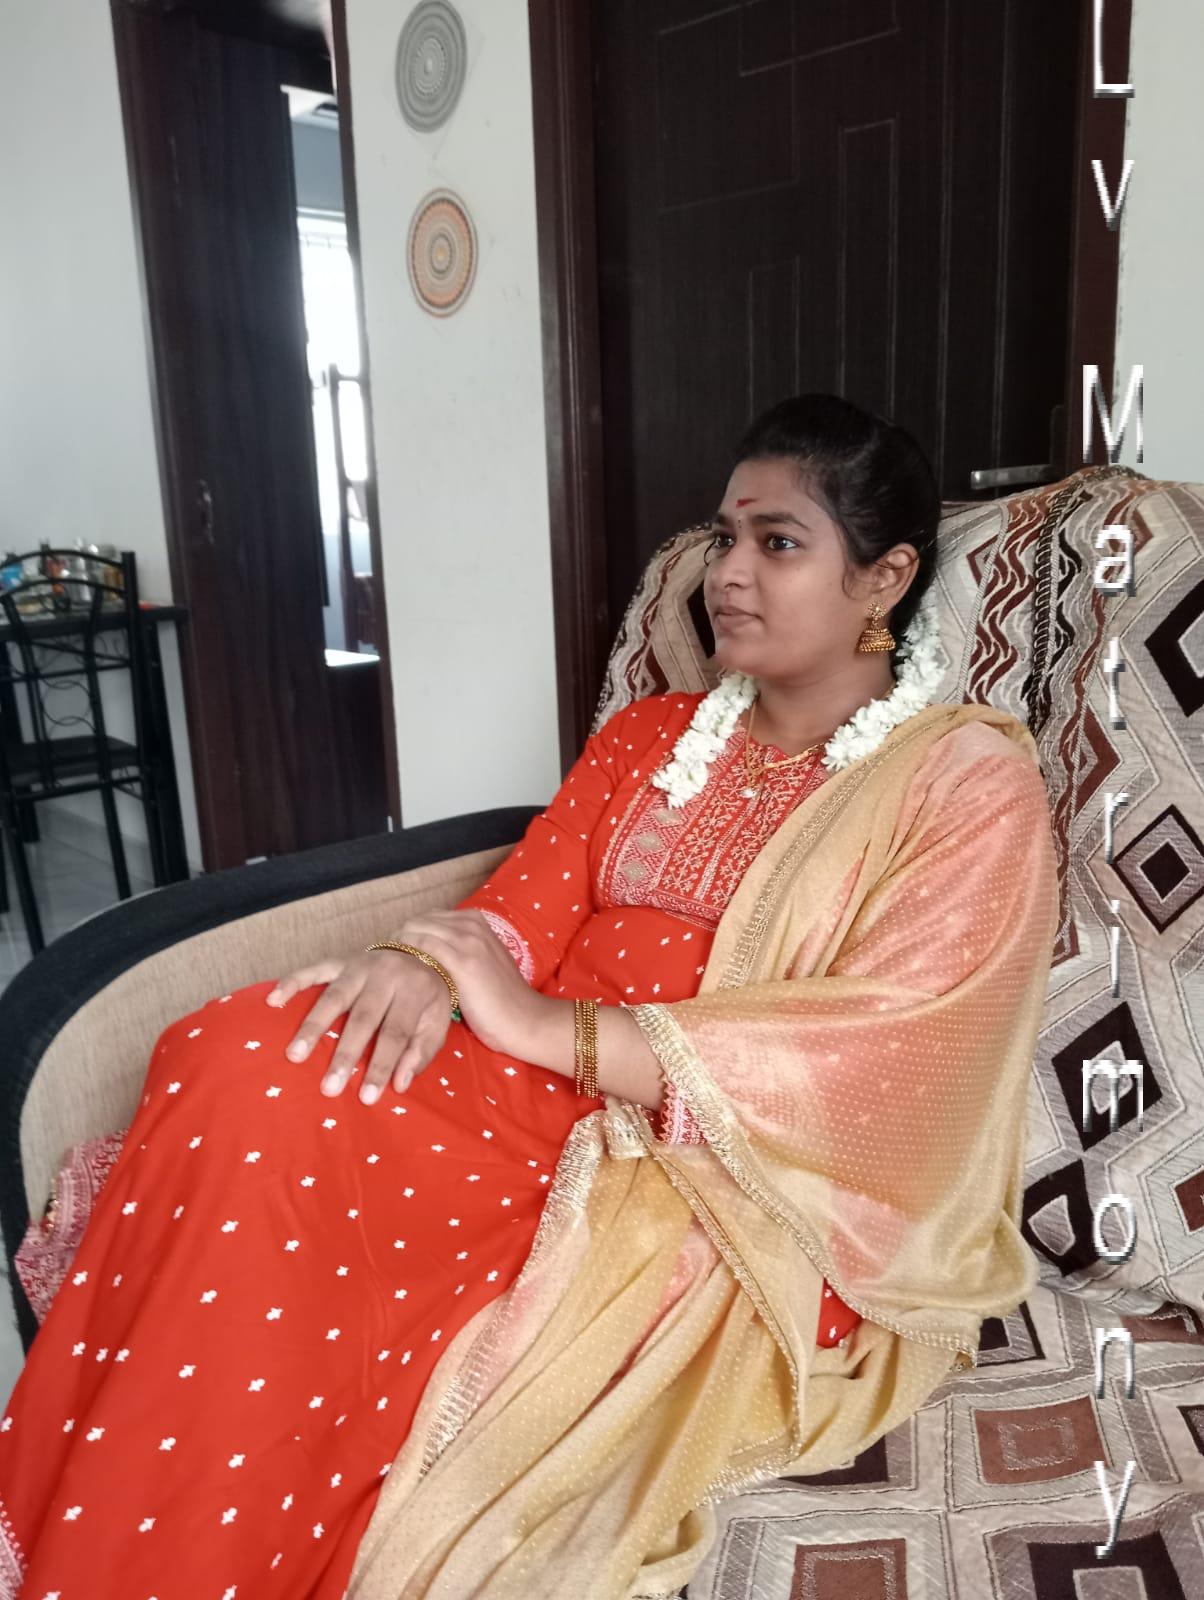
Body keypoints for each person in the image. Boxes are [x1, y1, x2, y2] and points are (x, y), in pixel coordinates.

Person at [0, 394, 1060, 1600]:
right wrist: (414, 967)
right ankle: (112, 1537)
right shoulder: (651, 732)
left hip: (703, 1161)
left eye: (778, 543)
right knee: (241, 1048)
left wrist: (555, 1028)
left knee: (302, 1167)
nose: (727, 573)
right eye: (724, 537)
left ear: (886, 577)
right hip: (521, 1081)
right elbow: (521, 905)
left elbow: (895, 1059)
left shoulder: (963, 784)